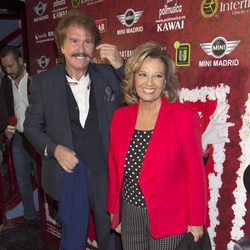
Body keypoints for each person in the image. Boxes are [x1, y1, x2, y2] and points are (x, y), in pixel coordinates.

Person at [24, 9, 124, 250]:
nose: (81, 48)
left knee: (111, 238)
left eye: (88, 41)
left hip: (104, 173)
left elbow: (138, 95)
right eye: (74, 40)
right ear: (61, 46)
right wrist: (54, 149)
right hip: (68, 175)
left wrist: (121, 66)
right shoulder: (42, 83)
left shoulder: (108, 75)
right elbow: (31, 127)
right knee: (72, 239)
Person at [107, 41, 207, 250]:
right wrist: (115, 212)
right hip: (130, 212)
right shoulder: (120, 117)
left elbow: (195, 173)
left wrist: (196, 220)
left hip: (169, 215)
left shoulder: (183, 118)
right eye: (142, 74)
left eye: (157, 75)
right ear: (133, 78)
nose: (149, 82)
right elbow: (115, 169)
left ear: (165, 82)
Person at [0, 46, 37, 222]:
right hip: (18, 138)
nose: (8, 71)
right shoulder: (6, 82)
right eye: (5, 67)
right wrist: (8, 127)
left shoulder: (35, 78)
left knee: (43, 179)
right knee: (22, 180)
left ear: (21, 61)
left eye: (11, 66)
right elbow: (7, 108)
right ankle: (31, 217)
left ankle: (50, 220)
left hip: (37, 138)